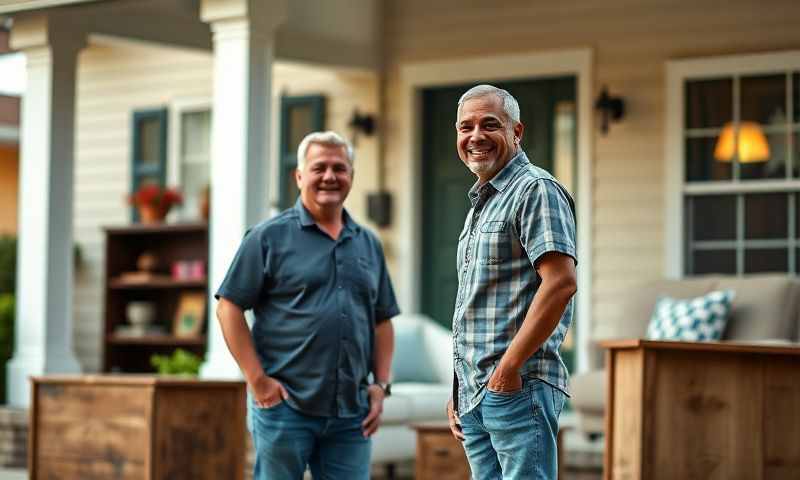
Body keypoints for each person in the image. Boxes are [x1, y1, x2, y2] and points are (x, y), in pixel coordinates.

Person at [215, 131, 399, 480]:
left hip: (351, 413)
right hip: (286, 407)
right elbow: (229, 307)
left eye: (339, 168)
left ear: (351, 177)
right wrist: (258, 381)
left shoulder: (368, 243)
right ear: (299, 176)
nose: (330, 176)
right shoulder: (267, 237)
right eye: (319, 168)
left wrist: (381, 385)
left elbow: (383, 319)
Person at [446, 85, 578, 479]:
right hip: (476, 391)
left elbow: (560, 283)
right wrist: (457, 387)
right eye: (465, 127)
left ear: (516, 132)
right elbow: (473, 303)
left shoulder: (535, 190)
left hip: (517, 387)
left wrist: (508, 368)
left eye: (490, 125)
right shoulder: (482, 204)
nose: (475, 137)